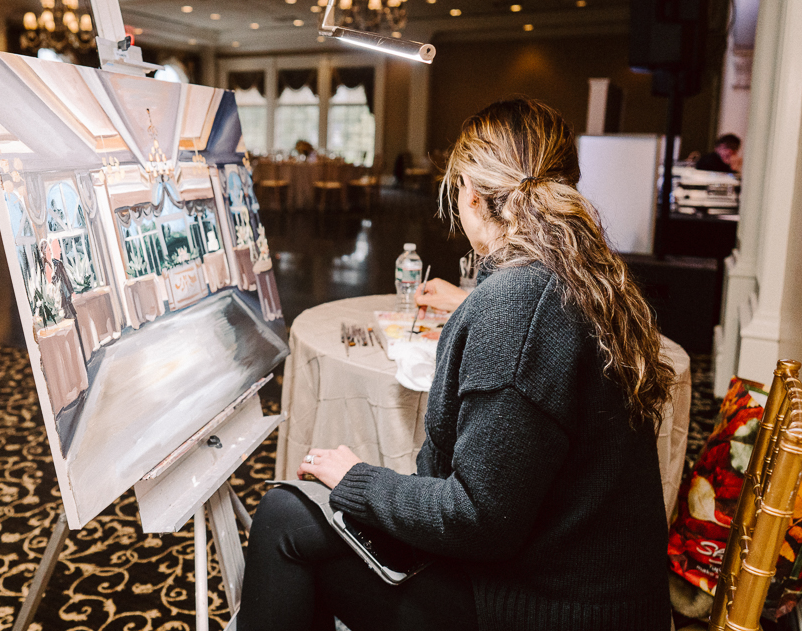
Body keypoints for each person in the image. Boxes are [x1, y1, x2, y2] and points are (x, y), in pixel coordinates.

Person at [239, 99, 674, 631]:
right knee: (308, 519)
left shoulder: (517, 306)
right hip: (588, 588)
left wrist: (358, 479)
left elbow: (479, 520)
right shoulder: (583, 274)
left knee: (283, 517)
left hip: (542, 606)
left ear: (470, 192)